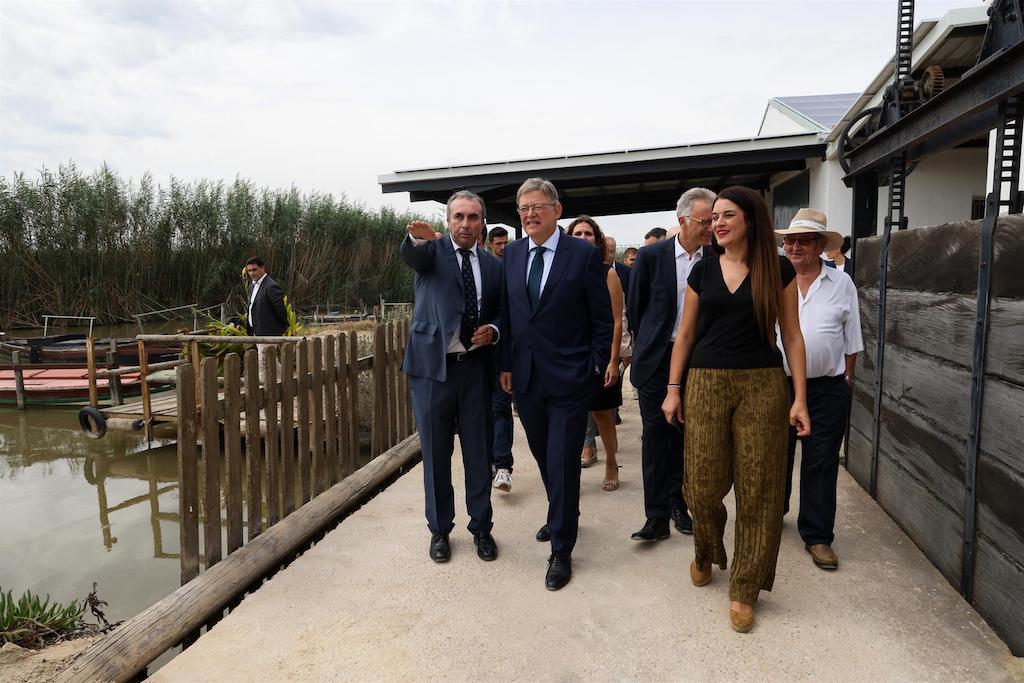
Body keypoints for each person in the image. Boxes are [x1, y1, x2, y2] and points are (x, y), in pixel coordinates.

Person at [661, 185, 810, 633]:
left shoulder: (778, 269)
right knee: (702, 488)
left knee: (759, 491)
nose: (717, 223)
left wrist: (800, 397)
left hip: (763, 385)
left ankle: (744, 588)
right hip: (705, 383)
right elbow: (684, 336)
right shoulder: (702, 272)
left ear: (750, 220)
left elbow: (793, 335)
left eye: (727, 215)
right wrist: (673, 388)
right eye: (713, 218)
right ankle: (707, 548)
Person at [500, 178, 612, 591]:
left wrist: (596, 363)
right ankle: (561, 514)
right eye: (523, 208)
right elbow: (510, 315)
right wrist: (507, 363)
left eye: (537, 207)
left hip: (570, 377)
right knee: (546, 457)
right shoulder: (512, 254)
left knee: (564, 460)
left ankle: (561, 549)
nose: (529, 214)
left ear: (556, 210)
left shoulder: (581, 254)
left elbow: (601, 318)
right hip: (526, 378)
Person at [400, 190, 503, 564]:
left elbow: (503, 312)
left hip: (475, 369)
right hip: (431, 371)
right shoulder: (432, 251)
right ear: (448, 221)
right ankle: (440, 530)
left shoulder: (493, 266)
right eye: (458, 216)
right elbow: (411, 252)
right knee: (436, 453)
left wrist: (493, 329)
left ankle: (482, 528)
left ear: (481, 223)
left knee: (479, 452)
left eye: (472, 217)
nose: (465, 224)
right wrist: (417, 236)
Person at [626, 188, 717, 542]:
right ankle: (656, 516)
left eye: (713, 221)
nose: (710, 227)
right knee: (655, 436)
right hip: (656, 359)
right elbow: (637, 308)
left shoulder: (716, 257)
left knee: (686, 435)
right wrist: (648, 343)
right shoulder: (652, 257)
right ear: (682, 220)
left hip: (699, 360)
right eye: (704, 221)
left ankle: (680, 504)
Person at [776, 209, 862, 571]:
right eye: (790, 241)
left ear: (820, 246)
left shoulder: (842, 283)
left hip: (826, 387)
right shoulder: (777, 280)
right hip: (778, 384)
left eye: (803, 241)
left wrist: (845, 381)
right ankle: (772, 513)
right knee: (775, 455)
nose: (794, 246)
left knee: (822, 460)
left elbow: (851, 339)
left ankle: (817, 535)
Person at [568, 216, 625, 492]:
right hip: (570, 355)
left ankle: (612, 463)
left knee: (603, 414)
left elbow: (616, 320)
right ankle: (569, 471)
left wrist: (613, 360)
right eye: (577, 233)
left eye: (588, 233)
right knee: (570, 417)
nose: (582, 237)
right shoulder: (562, 271)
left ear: (597, 240)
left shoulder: (608, 273)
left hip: (600, 355)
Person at [487, 226, 514, 492]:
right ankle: (490, 462)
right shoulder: (483, 268)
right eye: (498, 243)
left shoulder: (513, 268)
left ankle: (503, 465)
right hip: (477, 356)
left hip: (502, 353)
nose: (503, 247)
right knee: (483, 412)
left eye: (506, 242)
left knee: (500, 408)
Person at [245, 256, 289, 383]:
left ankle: (265, 390)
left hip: (269, 331)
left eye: (254, 270)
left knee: (262, 362)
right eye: (249, 271)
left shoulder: (271, 286)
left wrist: (280, 328)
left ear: (263, 268)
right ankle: (287, 382)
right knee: (271, 360)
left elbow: (281, 309)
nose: (252, 273)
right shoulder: (252, 287)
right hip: (257, 330)